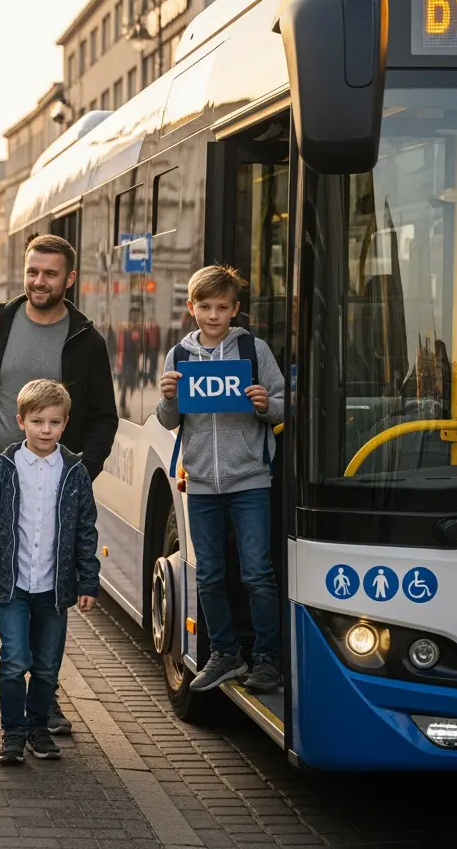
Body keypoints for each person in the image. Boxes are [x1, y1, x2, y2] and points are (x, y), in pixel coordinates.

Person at [0, 233, 117, 733]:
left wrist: (82, 470)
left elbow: (105, 416)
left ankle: (44, 701)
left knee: (44, 597)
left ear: (70, 279)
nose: (39, 281)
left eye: (50, 274)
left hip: (51, 488)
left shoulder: (85, 339)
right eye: (33, 271)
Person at [156, 265, 285, 694]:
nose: (213, 315)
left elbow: (282, 405)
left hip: (250, 479)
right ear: (191, 308)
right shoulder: (179, 355)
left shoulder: (252, 348)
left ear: (235, 309)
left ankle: (267, 659)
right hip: (201, 483)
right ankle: (225, 653)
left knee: (257, 573)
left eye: (222, 307)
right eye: (205, 306)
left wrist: (266, 403)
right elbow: (169, 419)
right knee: (209, 573)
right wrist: (168, 398)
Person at [0, 379, 100, 765]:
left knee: (47, 664)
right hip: (12, 586)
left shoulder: (75, 471)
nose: (46, 430)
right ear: (21, 421)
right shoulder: (4, 469)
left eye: (55, 422)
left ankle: (38, 728)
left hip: (53, 587)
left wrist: (88, 580)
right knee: (14, 661)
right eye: (38, 421)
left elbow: (85, 531)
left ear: (65, 424)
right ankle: (12, 733)